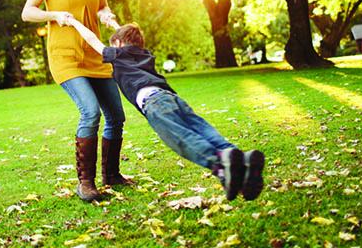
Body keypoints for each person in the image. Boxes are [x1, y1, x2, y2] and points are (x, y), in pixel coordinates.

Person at [66, 19, 265, 201]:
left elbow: (93, 39)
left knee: (181, 138)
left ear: (117, 44)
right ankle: (240, 160)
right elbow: (127, 36)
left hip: (155, 104)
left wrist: (74, 23)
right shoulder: (144, 54)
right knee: (202, 130)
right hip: (173, 98)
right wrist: (115, 25)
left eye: (113, 43)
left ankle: (220, 165)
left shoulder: (117, 54)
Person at [21, 0, 130, 202]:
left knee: (116, 116)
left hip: (95, 53)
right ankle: (86, 183)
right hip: (66, 56)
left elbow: (102, 6)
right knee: (90, 112)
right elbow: (28, 12)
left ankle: (112, 175)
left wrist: (107, 16)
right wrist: (54, 15)